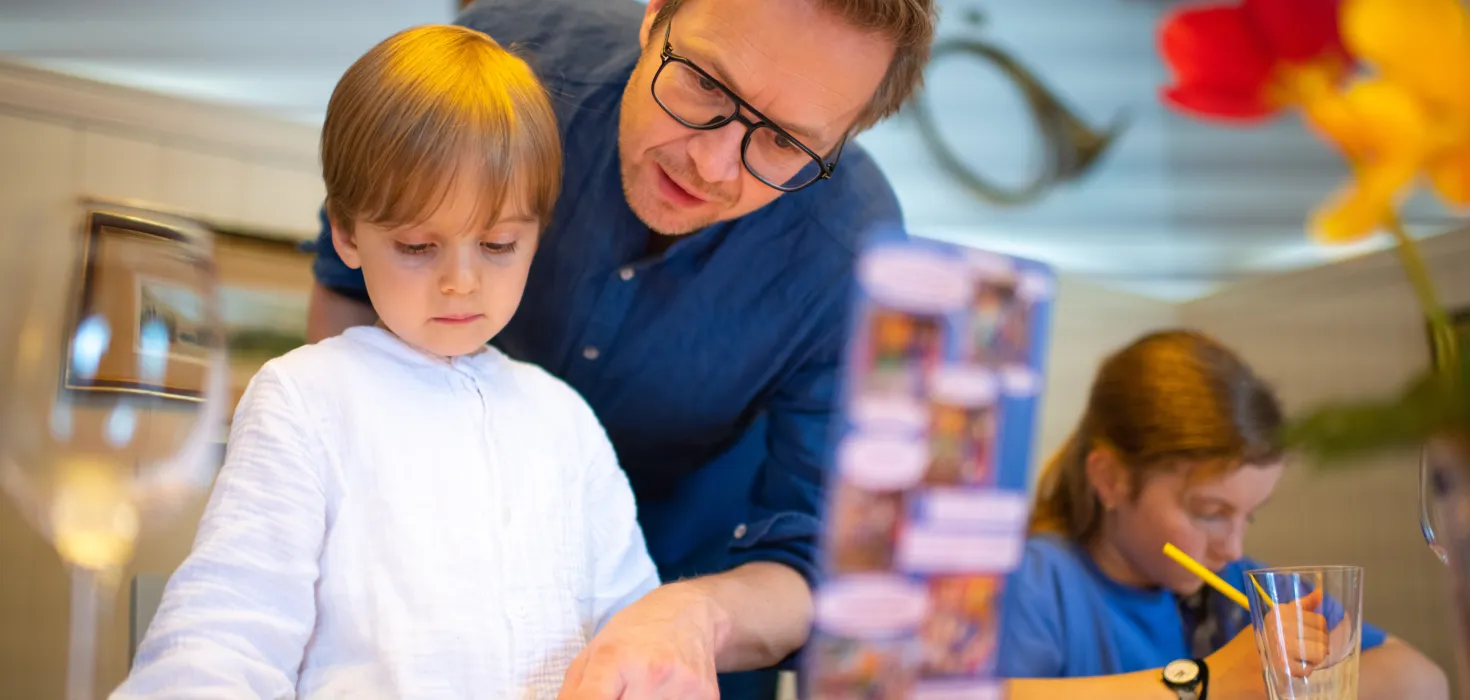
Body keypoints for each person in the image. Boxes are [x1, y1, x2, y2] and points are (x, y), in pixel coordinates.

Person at [305, 1, 938, 698]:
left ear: (844, 139)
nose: (713, 163)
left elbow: (829, 565)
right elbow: (352, 284)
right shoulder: (508, 72)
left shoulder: (859, 259)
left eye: (785, 142)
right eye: (704, 82)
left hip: (689, 600)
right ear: (656, 13)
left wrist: (695, 616)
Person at [111, 24, 659, 699]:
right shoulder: (307, 398)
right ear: (346, 233)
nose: (461, 281)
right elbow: (226, 633)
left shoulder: (564, 420)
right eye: (418, 247)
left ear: (536, 234)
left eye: (496, 245)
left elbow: (635, 629)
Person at [993, 330, 1449, 700]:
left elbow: (1424, 680)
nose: (1231, 547)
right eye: (1210, 513)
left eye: (1249, 516)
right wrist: (1208, 682)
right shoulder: (1031, 581)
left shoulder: (1242, 585)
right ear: (1110, 479)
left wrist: (1295, 684)